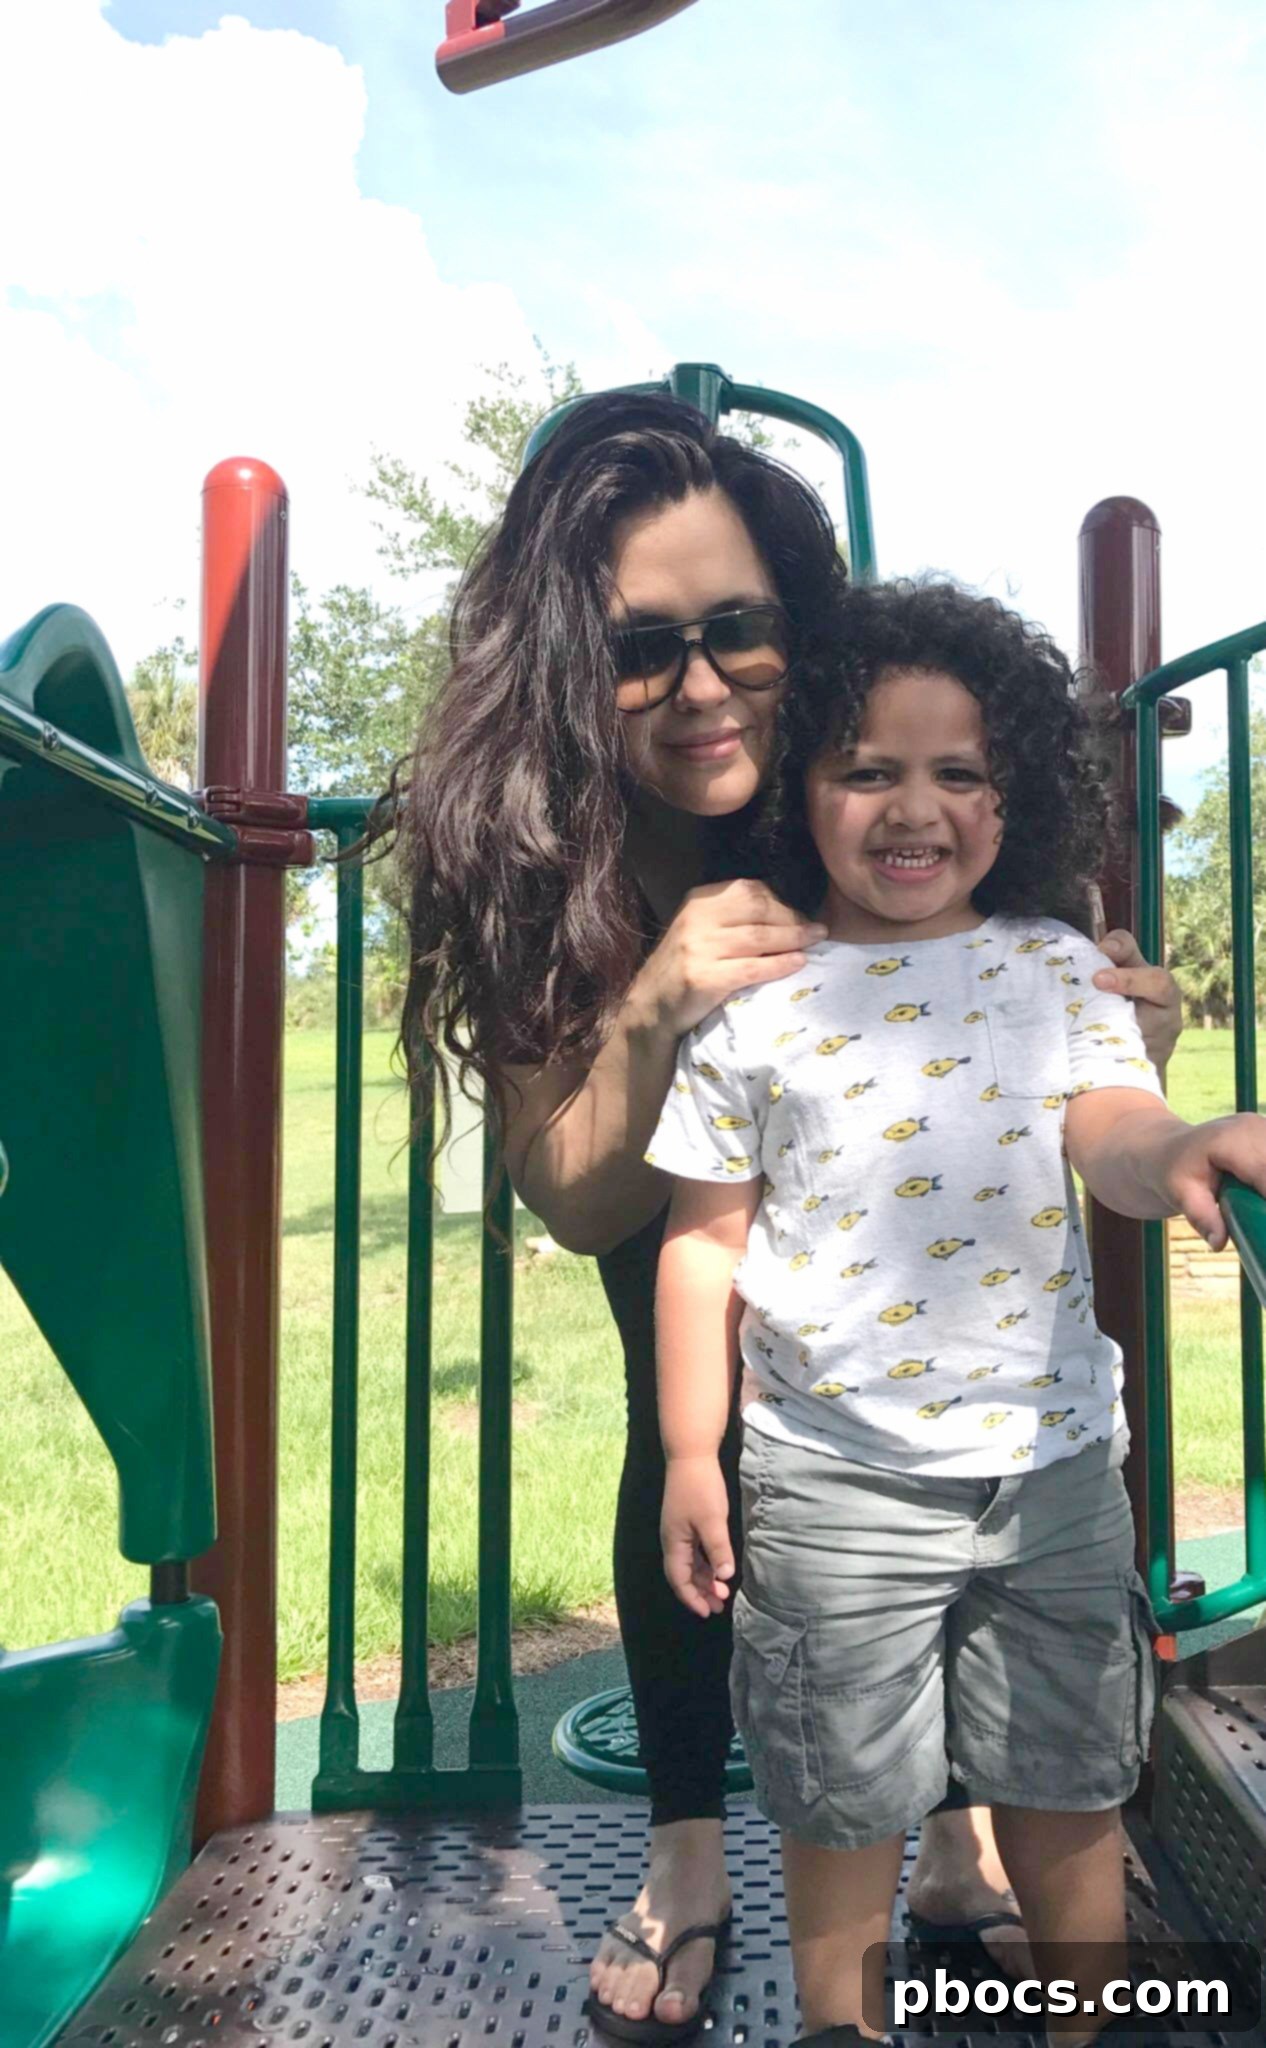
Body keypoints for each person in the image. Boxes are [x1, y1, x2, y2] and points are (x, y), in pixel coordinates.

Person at [396, 393, 1184, 2043]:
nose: (696, 687)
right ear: (565, 666)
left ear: (800, 633)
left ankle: (962, 1827)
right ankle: (695, 1850)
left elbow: (1043, 1015)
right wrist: (653, 1007)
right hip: (685, 1181)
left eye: (737, 631)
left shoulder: (866, 766)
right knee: (695, 1409)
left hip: (949, 1304)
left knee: (957, 1442)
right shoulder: (551, 848)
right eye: (639, 648)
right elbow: (573, 1197)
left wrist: (1118, 1045)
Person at [649, 576, 1264, 2043]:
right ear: (800, 790)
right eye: (866, 769)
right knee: (840, 1797)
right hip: (831, 1483)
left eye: (955, 773)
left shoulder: (1053, 967)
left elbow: (1107, 1122)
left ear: (1010, 800)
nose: (908, 807)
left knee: (1066, 1787)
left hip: (1048, 1472)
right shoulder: (760, 1001)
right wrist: (688, 1454)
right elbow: (698, 1244)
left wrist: (1176, 1148)